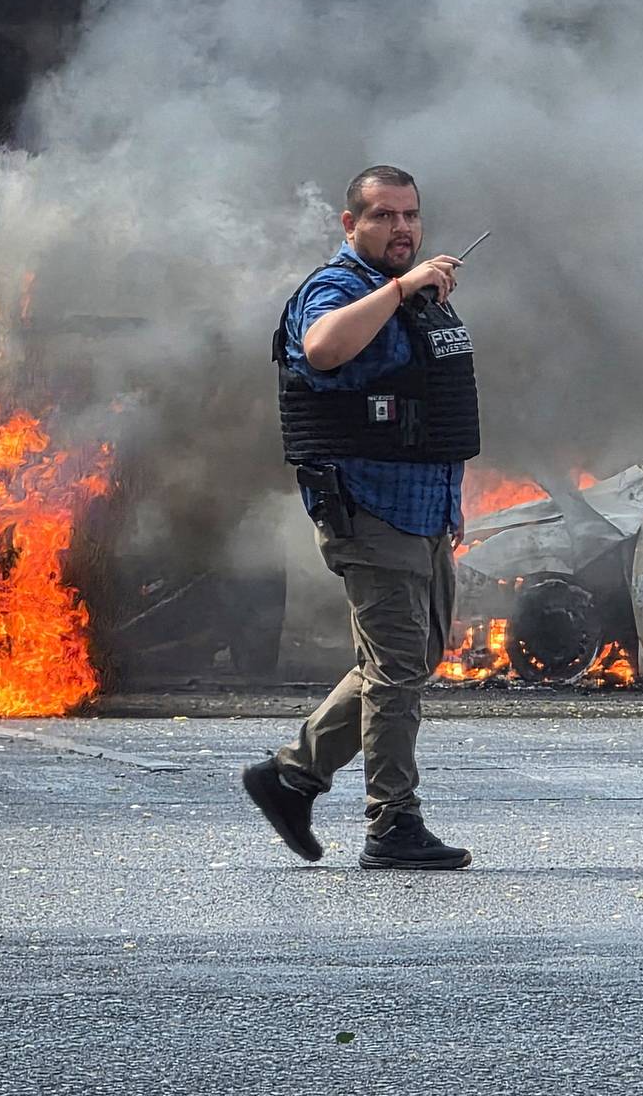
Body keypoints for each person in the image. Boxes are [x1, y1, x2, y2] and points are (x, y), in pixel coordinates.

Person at [242, 165, 479, 871]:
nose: (401, 229)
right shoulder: (339, 288)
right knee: (398, 666)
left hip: (422, 508)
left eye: (410, 216)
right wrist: (401, 289)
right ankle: (392, 823)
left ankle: (291, 776)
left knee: (405, 660)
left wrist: (451, 502)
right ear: (351, 225)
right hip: (368, 506)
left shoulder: (417, 298)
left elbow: (431, 405)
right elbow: (323, 349)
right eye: (382, 216)